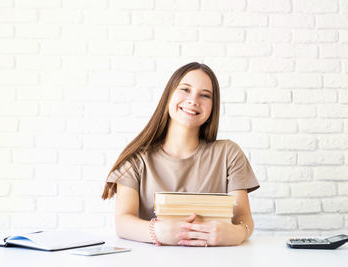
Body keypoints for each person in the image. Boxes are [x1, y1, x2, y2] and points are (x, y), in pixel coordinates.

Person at [101, 62, 259, 246]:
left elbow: (243, 217)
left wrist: (236, 234)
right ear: (169, 95)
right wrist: (158, 231)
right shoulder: (136, 159)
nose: (193, 100)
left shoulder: (229, 154)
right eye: (185, 89)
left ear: (213, 106)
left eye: (205, 95)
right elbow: (122, 223)